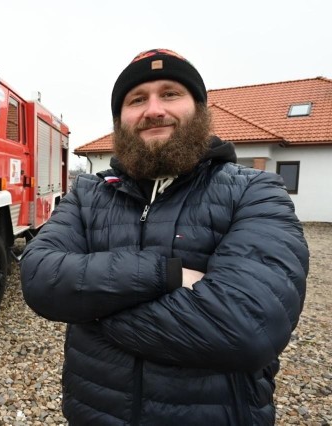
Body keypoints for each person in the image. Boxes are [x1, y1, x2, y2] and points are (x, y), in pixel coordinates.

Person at [20, 48, 309, 425]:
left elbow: (247, 327)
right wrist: (166, 274)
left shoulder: (255, 192)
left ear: (200, 109)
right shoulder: (89, 194)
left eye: (170, 93)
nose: (153, 109)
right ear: (120, 119)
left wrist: (91, 310)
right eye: (137, 99)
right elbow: (39, 276)